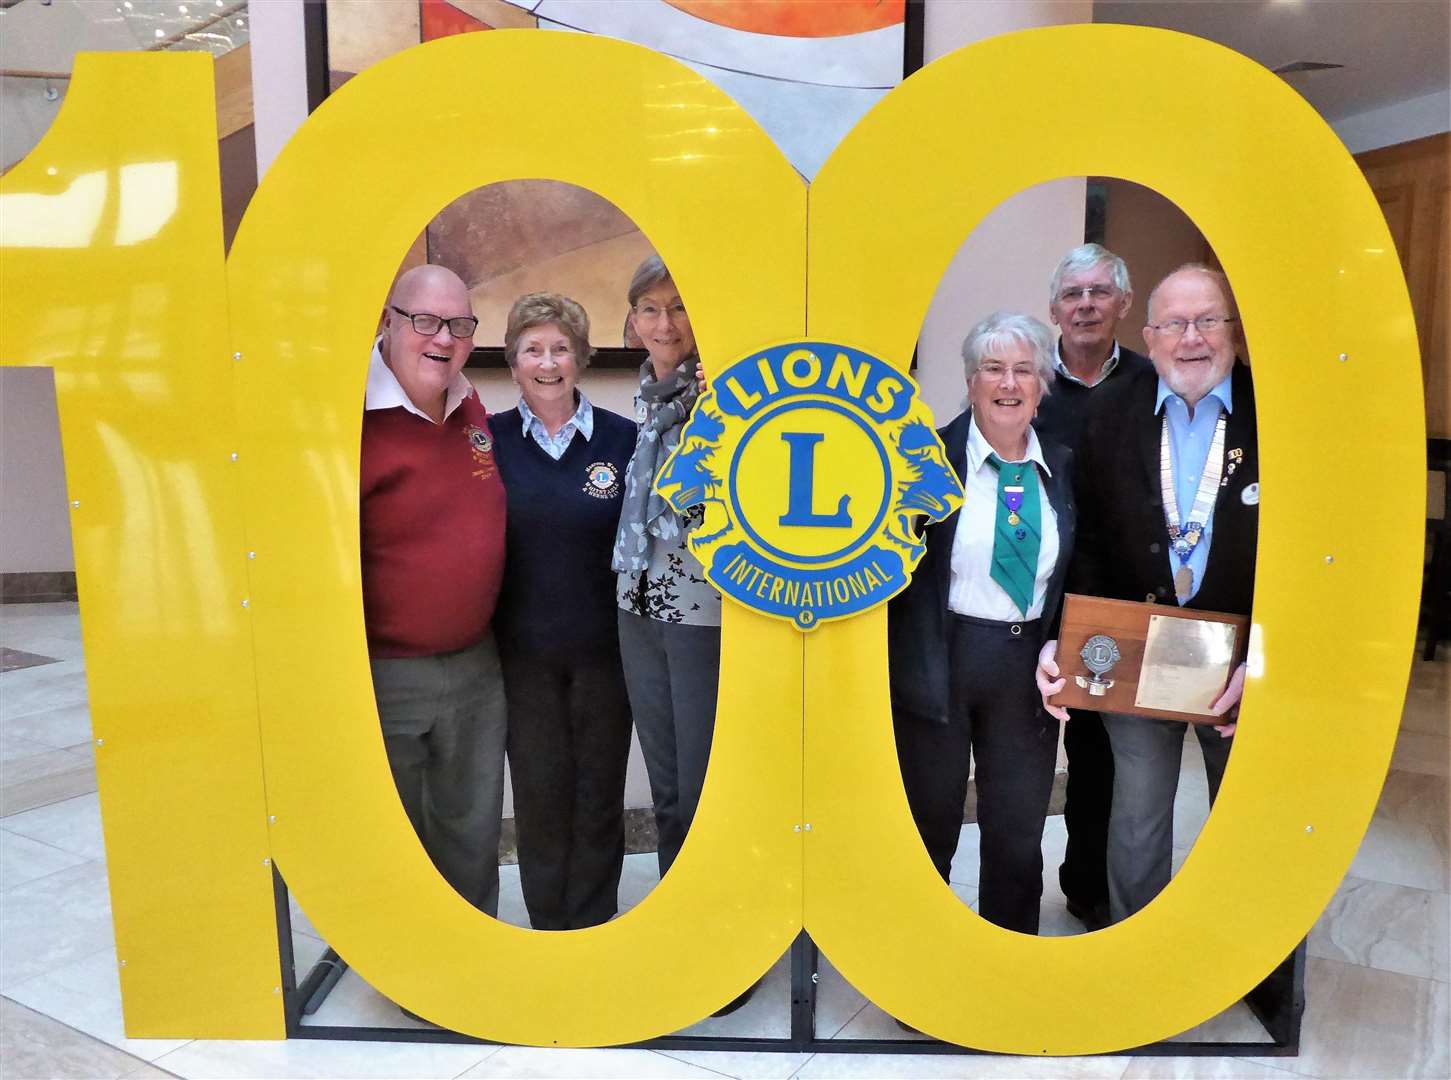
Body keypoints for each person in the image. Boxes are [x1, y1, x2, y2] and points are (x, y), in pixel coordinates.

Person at [1037, 264, 1257, 925]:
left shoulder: (1279, 414)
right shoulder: (1111, 413)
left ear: (1233, 330)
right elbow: (1090, 544)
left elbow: (1314, 557)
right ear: (1149, 333)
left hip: (1243, 665)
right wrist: (1076, 642)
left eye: (1206, 321)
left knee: (1244, 817)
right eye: (1173, 325)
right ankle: (1136, 950)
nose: (1190, 339)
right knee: (1133, 819)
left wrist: (1267, 661)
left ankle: (1238, 955)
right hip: (1138, 653)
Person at [888, 312, 1075, 935]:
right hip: (941, 660)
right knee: (927, 825)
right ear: (970, 383)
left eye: (1024, 369)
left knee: (1019, 832)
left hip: (1027, 669)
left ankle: (1009, 963)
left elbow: (1076, 577)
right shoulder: (927, 460)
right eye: (993, 368)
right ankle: (921, 970)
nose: (1009, 382)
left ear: (1042, 385)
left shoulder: (1066, 468)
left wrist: (1064, 646)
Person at [361, 264, 507, 918]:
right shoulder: (347, 417)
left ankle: (471, 959)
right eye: (426, 321)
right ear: (388, 322)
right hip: (386, 673)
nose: (443, 338)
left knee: (471, 827)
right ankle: (410, 974)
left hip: (477, 665)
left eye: (460, 326)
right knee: (393, 835)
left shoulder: (470, 405)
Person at [490, 292, 636, 930]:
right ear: (514, 362)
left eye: (560, 348)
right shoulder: (485, 441)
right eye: (532, 349)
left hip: (606, 652)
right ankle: (549, 921)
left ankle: (595, 918)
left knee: (598, 791)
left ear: (580, 357)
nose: (547, 362)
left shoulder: (623, 441)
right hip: (520, 655)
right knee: (540, 793)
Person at [1034, 243, 1151, 932]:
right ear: (1053, 308)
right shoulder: (1023, 378)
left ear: (1122, 306)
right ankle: (1017, 892)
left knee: (1103, 759)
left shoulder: (1148, 382)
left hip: (1112, 602)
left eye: (1098, 293)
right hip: (1030, 598)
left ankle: (1091, 892)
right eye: (1072, 294)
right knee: (1021, 753)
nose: (1084, 305)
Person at [611, 254, 721, 880]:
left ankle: (714, 917)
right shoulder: (647, 396)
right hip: (637, 602)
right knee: (666, 780)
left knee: (703, 777)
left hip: (700, 610)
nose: (665, 322)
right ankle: (680, 909)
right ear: (633, 321)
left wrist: (718, 405)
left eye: (678, 306)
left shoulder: (719, 394)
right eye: (650, 309)